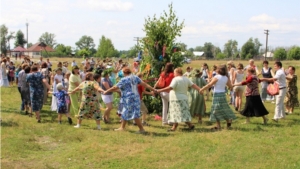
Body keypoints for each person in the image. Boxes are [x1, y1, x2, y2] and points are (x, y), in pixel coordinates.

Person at [103, 67, 156, 133]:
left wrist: (106, 91)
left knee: (134, 114)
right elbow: (145, 84)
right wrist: (153, 89)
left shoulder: (124, 79)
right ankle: (122, 127)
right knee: (125, 112)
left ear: (124, 73)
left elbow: (115, 87)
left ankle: (141, 129)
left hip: (129, 98)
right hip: (136, 98)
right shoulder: (135, 77)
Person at [199, 64, 236, 130]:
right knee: (223, 108)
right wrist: (231, 89)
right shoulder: (225, 77)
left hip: (217, 95)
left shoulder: (217, 77)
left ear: (219, 70)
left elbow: (209, 85)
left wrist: (202, 89)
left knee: (215, 110)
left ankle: (219, 126)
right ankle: (228, 120)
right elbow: (230, 86)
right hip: (223, 95)